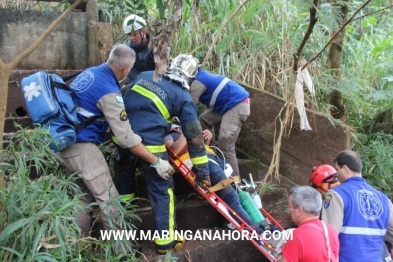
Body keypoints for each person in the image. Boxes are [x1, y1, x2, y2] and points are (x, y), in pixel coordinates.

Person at [57, 44, 174, 248]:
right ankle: (123, 251)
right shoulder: (109, 91)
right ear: (126, 69)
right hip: (82, 148)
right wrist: (156, 161)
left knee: (82, 201)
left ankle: (76, 249)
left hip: (64, 143)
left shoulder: (90, 73)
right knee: (110, 201)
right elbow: (125, 137)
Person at [113, 54, 210, 254]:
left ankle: (124, 232)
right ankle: (165, 240)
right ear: (190, 79)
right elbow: (194, 138)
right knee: (161, 188)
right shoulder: (183, 97)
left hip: (122, 137)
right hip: (150, 148)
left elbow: (122, 95)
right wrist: (202, 174)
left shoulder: (145, 75)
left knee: (124, 183)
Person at [164, 121, 270, 231]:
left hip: (211, 157)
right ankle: (258, 231)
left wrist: (206, 139)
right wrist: (189, 130)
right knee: (231, 197)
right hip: (199, 163)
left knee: (242, 190)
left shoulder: (179, 126)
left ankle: (264, 226)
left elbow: (197, 145)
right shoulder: (167, 133)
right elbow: (174, 152)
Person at [181, 56, 250, 177]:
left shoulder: (198, 81)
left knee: (225, 145)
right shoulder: (200, 76)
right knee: (203, 121)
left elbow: (188, 107)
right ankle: (211, 151)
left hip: (237, 104)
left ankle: (235, 181)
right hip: (225, 104)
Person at [321, 150, 393, 262]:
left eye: (337, 169)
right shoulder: (383, 199)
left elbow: (329, 238)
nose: (336, 174)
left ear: (345, 169)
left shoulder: (335, 194)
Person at [278, 186, 339, 262]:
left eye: (290, 206)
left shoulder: (297, 236)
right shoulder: (330, 229)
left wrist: (286, 251)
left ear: (299, 210)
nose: (289, 210)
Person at [122, 14, 155, 85]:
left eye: (134, 34)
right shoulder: (128, 52)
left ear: (143, 32)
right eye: (129, 35)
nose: (131, 38)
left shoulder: (156, 48)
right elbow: (132, 79)